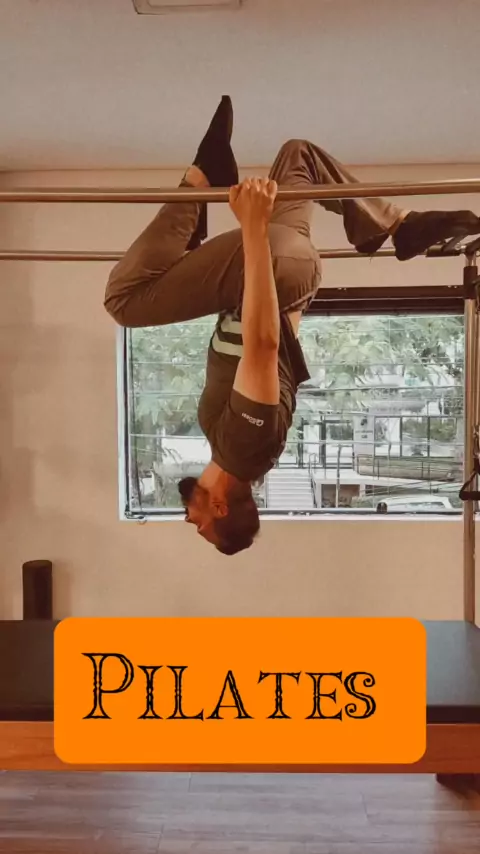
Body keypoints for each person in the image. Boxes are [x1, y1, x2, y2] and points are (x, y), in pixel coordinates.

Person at [104, 96, 480, 555]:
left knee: (298, 155)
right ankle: (201, 180)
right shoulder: (245, 448)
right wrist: (254, 228)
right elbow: (263, 344)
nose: (188, 519)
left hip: (285, 270)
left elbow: (281, 339)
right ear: (219, 508)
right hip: (270, 264)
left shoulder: (240, 450)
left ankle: (399, 224)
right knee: (124, 301)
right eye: (199, 527)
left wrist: (280, 266)